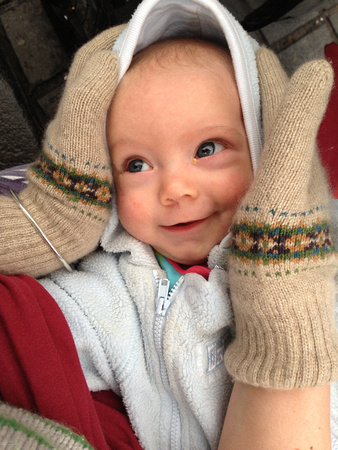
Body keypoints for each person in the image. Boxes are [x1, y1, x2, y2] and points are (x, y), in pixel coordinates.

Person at [0, 0, 337, 448]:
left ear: (265, 145)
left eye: (206, 148)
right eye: (137, 163)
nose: (175, 188)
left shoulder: (317, 253)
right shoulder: (112, 290)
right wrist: (47, 223)